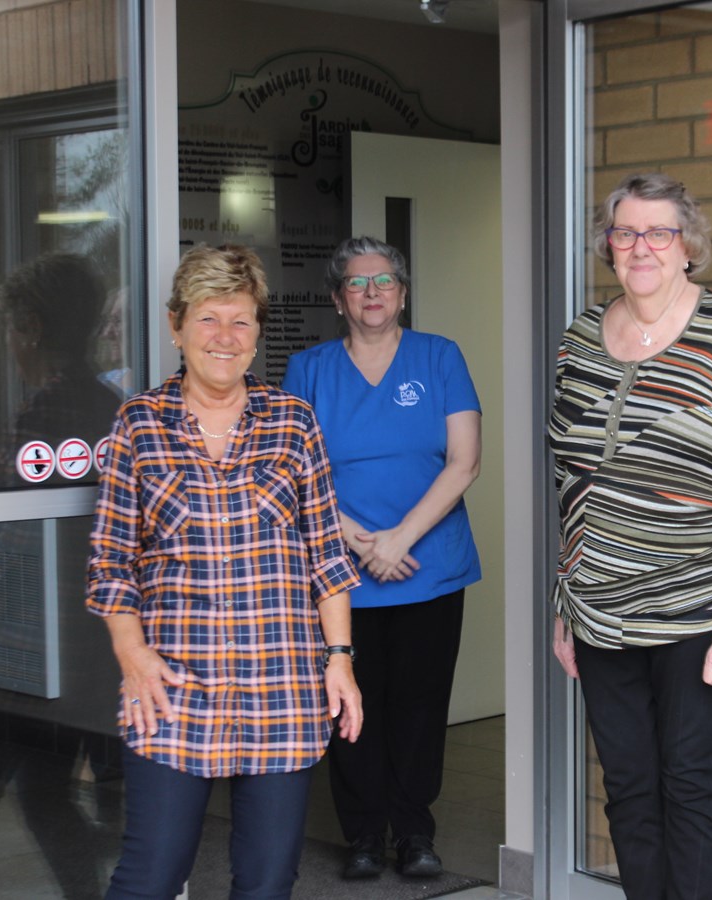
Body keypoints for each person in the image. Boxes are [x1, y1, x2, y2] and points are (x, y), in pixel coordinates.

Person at [85, 243, 363, 899]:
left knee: (267, 881)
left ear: (258, 330)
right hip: (173, 687)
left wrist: (340, 659)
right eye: (209, 319)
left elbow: (327, 553)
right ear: (176, 325)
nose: (225, 337)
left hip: (280, 688)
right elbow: (111, 561)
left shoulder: (292, 422)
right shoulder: (139, 425)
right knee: (151, 876)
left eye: (240, 321)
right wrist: (131, 655)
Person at [548, 173, 712, 899]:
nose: (641, 247)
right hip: (598, 612)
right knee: (626, 789)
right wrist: (565, 601)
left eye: (659, 232)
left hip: (697, 611)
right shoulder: (580, 338)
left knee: (687, 786)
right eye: (626, 233)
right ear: (609, 247)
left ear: (687, 247)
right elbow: (571, 481)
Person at [282, 236, 482, 880]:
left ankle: (415, 834)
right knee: (350, 705)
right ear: (338, 298)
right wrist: (360, 542)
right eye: (358, 283)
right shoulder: (309, 368)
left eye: (385, 280)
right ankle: (364, 835)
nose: (373, 293)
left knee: (421, 705)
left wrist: (398, 539)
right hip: (341, 572)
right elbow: (293, 469)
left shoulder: (439, 356)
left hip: (429, 567)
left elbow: (464, 461)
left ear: (403, 291)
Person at [0, 253, 122, 899]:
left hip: (20, 667)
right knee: (46, 798)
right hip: (85, 662)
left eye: (11, 327)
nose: (8, 343)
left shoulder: (38, 419)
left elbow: (12, 558)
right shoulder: (112, 410)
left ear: (32, 329)